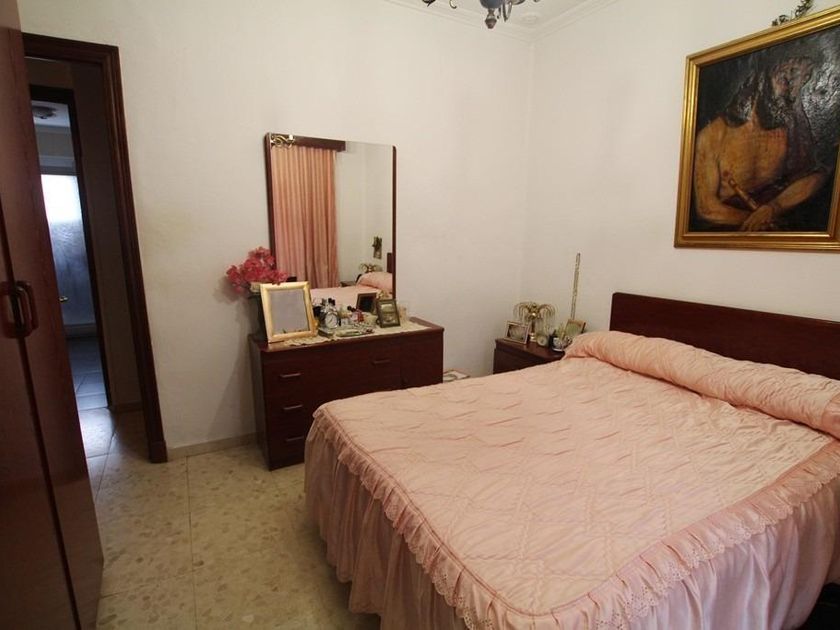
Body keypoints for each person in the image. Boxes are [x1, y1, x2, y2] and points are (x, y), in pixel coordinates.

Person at [693, 53, 829, 231]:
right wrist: (756, 221)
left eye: (804, 79)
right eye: (787, 78)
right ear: (762, 78)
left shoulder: (793, 128)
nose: (794, 93)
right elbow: (706, 208)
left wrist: (774, 208)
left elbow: (814, 176)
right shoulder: (712, 136)